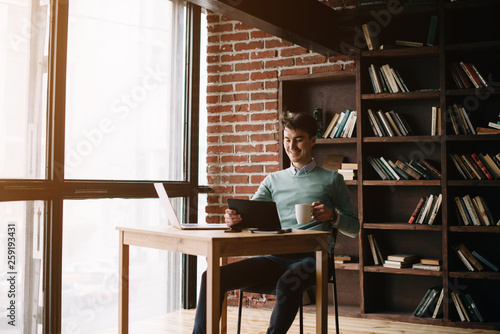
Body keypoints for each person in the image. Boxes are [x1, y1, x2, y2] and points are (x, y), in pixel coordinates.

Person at [192, 112, 359, 334]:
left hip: (314, 258)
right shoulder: (273, 180)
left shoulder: (332, 179)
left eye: (298, 139)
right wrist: (234, 220)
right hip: (274, 256)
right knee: (212, 277)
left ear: (313, 141)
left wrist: (332, 216)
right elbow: (248, 215)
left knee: (288, 282)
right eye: (287, 139)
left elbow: (355, 229)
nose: (292, 146)